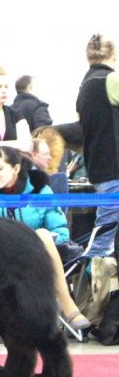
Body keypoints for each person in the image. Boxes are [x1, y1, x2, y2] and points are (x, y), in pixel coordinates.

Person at [0, 146, 91, 331]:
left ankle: (68, 306)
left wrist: (37, 240)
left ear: (16, 168)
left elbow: (60, 231)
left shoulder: (40, 190)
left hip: (41, 254)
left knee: (42, 235)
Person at [76, 34, 119, 258]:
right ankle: (87, 287)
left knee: (104, 237)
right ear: (114, 55)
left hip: (99, 168)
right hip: (114, 170)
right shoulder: (111, 81)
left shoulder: (85, 85)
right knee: (103, 245)